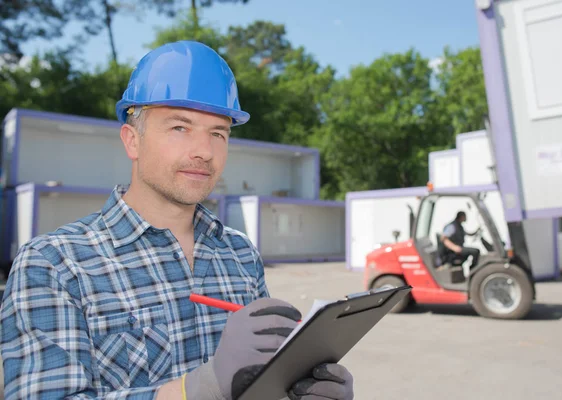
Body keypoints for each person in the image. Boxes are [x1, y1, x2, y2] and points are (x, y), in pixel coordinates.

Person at [0, 41, 354, 400]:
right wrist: (198, 388)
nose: (204, 150)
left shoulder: (240, 254)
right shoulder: (54, 265)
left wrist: (292, 388)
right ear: (132, 140)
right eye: (180, 128)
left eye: (218, 133)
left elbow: (256, 385)